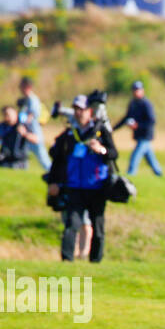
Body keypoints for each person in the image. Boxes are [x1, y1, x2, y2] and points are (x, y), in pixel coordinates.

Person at [46, 94, 117, 263]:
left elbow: (114, 153)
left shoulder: (100, 131)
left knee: (98, 227)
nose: (79, 113)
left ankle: (95, 261)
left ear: (90, 111)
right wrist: (53, 182)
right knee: (72, 225)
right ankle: (67, 261)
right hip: (75, 187)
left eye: (82, 110)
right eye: (76, 109)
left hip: (97, 187)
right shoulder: (70, 134)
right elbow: (57, 159)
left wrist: (101, 150)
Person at [122, 81, 162, 177]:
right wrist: (112, 128)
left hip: (145, 136)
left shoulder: (146, 104)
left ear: (142, 90)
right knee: (150, 157)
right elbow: (126, 118)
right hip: (138, 135)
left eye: (138, 90)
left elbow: (151, 121)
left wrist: (137, 125)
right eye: (135, 90)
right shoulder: (133, 104)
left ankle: (131, 174)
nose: (136, 92)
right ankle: (159, 173)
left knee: (135, 156)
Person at [17, 77, 51, 170]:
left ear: (27, 87)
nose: (20, 88)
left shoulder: (33, 99)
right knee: (22, 156)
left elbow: (32, 115)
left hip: (34, 134)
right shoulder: (26, 100)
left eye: (22, 86)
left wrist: (22, 125)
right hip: (26, 135)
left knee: (43, 159)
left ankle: (53, 175)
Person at [0, 104, 38, 168]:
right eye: (6, 114)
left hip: (19, 160)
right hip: (6, 157)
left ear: (15, 113)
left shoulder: (23, 125)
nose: (8, 116)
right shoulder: (2, 126)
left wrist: (24, 133)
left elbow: (36, 139)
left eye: (9, 114)